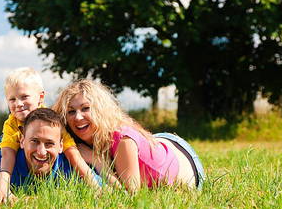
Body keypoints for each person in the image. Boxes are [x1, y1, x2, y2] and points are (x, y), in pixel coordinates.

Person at [0, 67, 100, 204]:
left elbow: (73, 154)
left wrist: (95, 187)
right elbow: (6, 156)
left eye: (24, 97)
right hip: (4, 151)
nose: (18, 104)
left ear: (40, 97)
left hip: (27, 152)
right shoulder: (11, 124)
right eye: (12, 99)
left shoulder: (52, 124)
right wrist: (4, 189)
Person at [52, 79, 206, 194]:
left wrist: (97, 161)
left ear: (100, 110)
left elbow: (130, 196)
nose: (77, 117)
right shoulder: (80, 138)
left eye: (85, 108)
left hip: (189, 167)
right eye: (71, 111)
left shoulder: (122, 140)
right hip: (159, 144)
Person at [0, 108, 100, 204]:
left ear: (61, 146)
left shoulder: (71, 167)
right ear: (22, 141)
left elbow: (102, 190)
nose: (41, 151)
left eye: (49, 143)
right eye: (34, 141)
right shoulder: (2, 160)